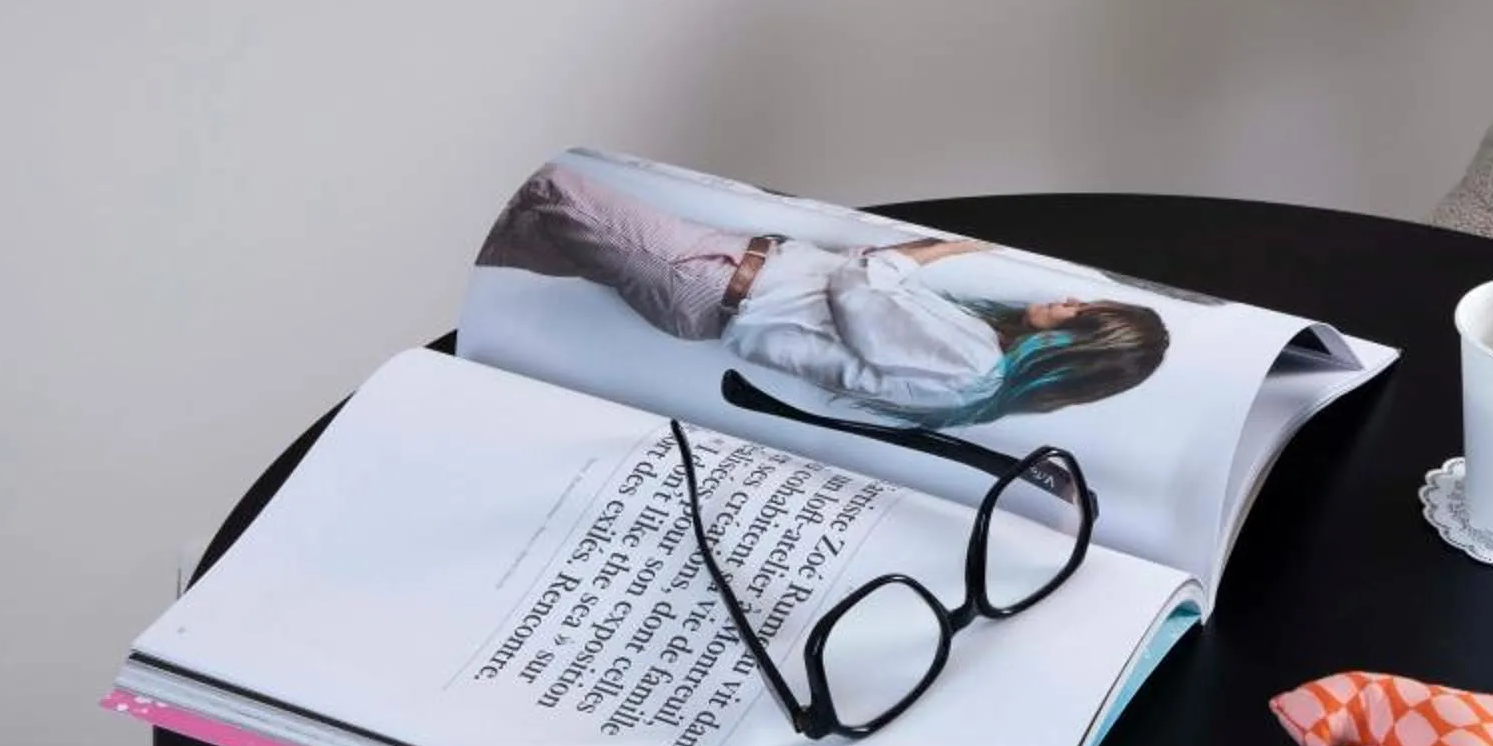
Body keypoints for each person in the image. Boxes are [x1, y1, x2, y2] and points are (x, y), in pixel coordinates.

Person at [477, 162, 1170, 425]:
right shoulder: (976, 370)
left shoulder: (972, 363)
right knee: (524, 240)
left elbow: (859, 287)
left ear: (1076, 349)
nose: (1069, 304)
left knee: (545, 190)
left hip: (712, 279)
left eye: (1083, 317)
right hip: (716, 278)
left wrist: (946, 248)